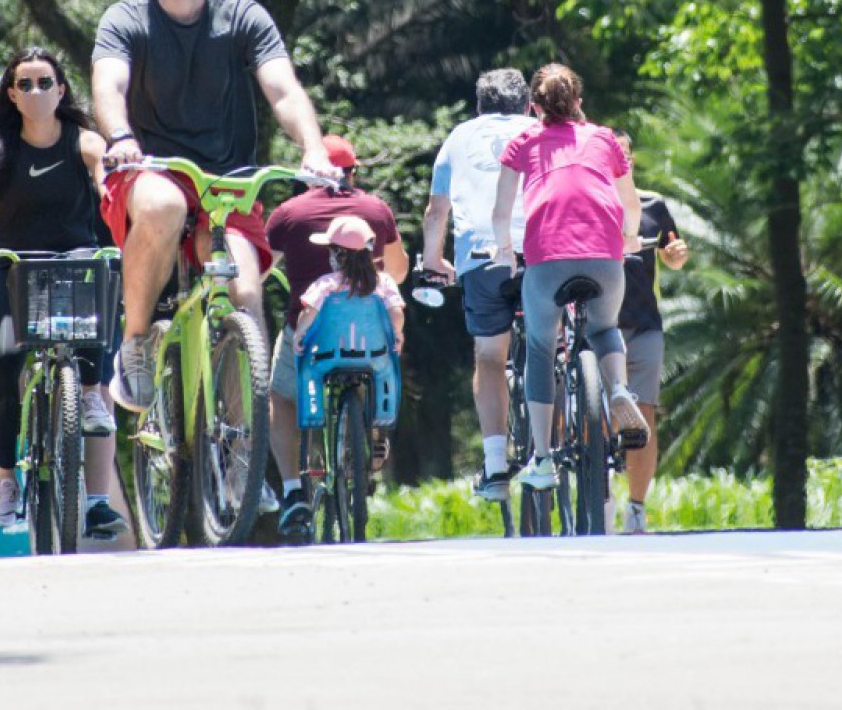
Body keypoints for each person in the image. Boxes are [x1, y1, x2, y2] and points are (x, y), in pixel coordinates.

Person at [92, 0, 339, 414]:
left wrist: (314, 148)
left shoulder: (243, 17)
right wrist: (121, 139)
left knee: (246, 297)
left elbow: (283, 89)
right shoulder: (126, 19)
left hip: (227, 184)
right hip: (149, 171)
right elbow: (109, 86)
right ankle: (135, 343)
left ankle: (236, 458)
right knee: (165, 206)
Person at [0, 48, 128, 540]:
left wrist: (114, 199)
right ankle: (7, 481)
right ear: (11, 94)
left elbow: (103, 177)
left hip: (73, 262)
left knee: (100, 290)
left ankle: (89, 400)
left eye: (44, 82)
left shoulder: (83, 140)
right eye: (24, 84)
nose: (35, 92)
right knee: (3, 363)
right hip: (12, 267)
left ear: (61, 89)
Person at [493, 64, 649, 491]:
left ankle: (542, 459)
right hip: (605, 256)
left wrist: (504, 250)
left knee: (541, 349)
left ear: (533, 107)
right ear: (578, 102)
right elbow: (630, 204)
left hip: (547, 259)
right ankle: (618, 388)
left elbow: (501, 213)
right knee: (604, 327)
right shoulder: (604, 138)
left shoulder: (523, 141)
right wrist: (630, 238)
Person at [264, 134, 405, 539]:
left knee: (280, 395)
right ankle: (377, 428)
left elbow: (257, 270)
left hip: (313, 338)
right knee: (389, 342)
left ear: (308, 176)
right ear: (353, 172)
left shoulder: (288, 215)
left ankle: (293, 491)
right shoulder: (376, 210)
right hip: (371, 338)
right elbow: (396, 272)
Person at [420, 68, 534, 501]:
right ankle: (553, 448)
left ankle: (496, 465)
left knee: (489, 357)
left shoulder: (459, 137)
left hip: (484, 259)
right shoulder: (542, 128)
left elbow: (436, 211)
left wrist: (433, 260)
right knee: (549, 347)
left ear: (480, 107)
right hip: (541, 254)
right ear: (526, 105)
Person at [611, 133, 688, 535]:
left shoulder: (654, 204)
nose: (619, 160)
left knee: (645, 418)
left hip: (643, 326)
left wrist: (676, 256)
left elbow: (673, 252)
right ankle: (598, 498)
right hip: (599, 328)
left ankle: (636, 509)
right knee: (592, 419)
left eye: (624, 153)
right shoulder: (590, 203)